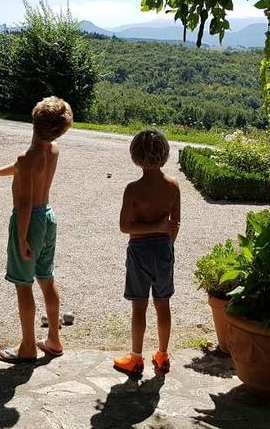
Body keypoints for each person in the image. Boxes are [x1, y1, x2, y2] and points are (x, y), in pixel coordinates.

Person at [0, 96, 73, 364]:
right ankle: (54, 340)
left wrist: (21, 238)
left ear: (34, 122)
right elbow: (23, 169)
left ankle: (28, 347)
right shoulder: (52, 150)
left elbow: (26, 201)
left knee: (23, 285)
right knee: (47, 279)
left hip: (29, 222)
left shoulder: (27, 158)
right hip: (48, 217)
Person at [112, 129, 181, 376]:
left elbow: (125, 227)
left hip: (139, 250)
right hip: (163, 249)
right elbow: (175, 225)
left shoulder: (133, 189)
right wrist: (167, 243)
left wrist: (153, 229)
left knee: (139, 306)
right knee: (163, 304)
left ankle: (136, 358)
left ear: (135, 156)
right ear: (165, 153)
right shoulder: (173, 186)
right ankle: (162, 355)